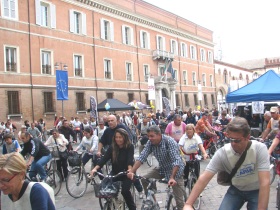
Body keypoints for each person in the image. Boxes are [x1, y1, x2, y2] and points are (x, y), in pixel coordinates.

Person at [183, 117, 270, 210]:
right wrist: (188, 203)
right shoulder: (223, 153)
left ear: (247, 137)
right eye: (230, 139)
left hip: (256, 190)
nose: (233, 143)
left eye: (237, 140)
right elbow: (204, 178)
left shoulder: (259, 148)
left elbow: (265, 182)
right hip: (237, 189)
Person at [127, 125, 186, 210]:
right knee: (145, 179)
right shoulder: (150, 143)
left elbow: (176, 161)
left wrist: (172, 177)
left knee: (180, 203)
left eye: (152, 136)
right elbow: (142, 157)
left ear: (159, 134)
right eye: (148, 136)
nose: (150, 138)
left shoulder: (169, 142)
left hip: (176, 171)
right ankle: (153, 203)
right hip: (162, 169)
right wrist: (132, 171)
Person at [90, 128, 137, 210]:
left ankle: (132, 208)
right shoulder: (112, 147)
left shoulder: (130, 146)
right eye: (116, 137)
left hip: (127, 173)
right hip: (115, 172)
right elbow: (104, 159)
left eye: (120, 137)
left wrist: (130, 170)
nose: (118, 139)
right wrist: (95, 169)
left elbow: (130, 160)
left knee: (125, 191)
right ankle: (110, 203)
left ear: (125, 137)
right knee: (105, 188)